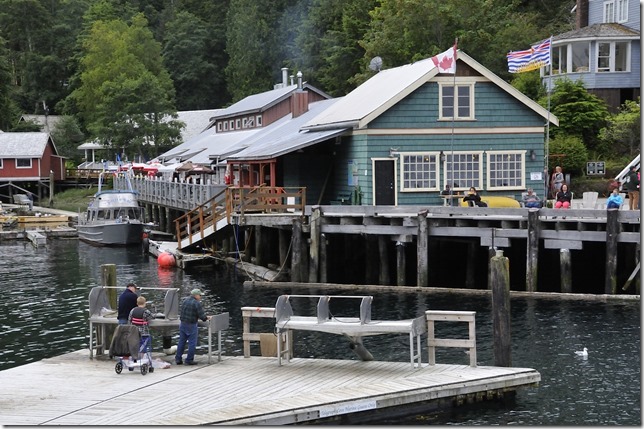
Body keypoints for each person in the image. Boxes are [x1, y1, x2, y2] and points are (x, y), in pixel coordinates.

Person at [175, 289, 211, 365]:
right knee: (192, 343)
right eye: (200, 295)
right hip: (191, 325)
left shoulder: (185, 301)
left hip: (182, 323)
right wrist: (207, 318)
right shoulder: (197, 303)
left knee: (181, 341)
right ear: (196, 295)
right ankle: (189, 360)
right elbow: (202, 317)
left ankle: (178, 359)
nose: (201, 297)